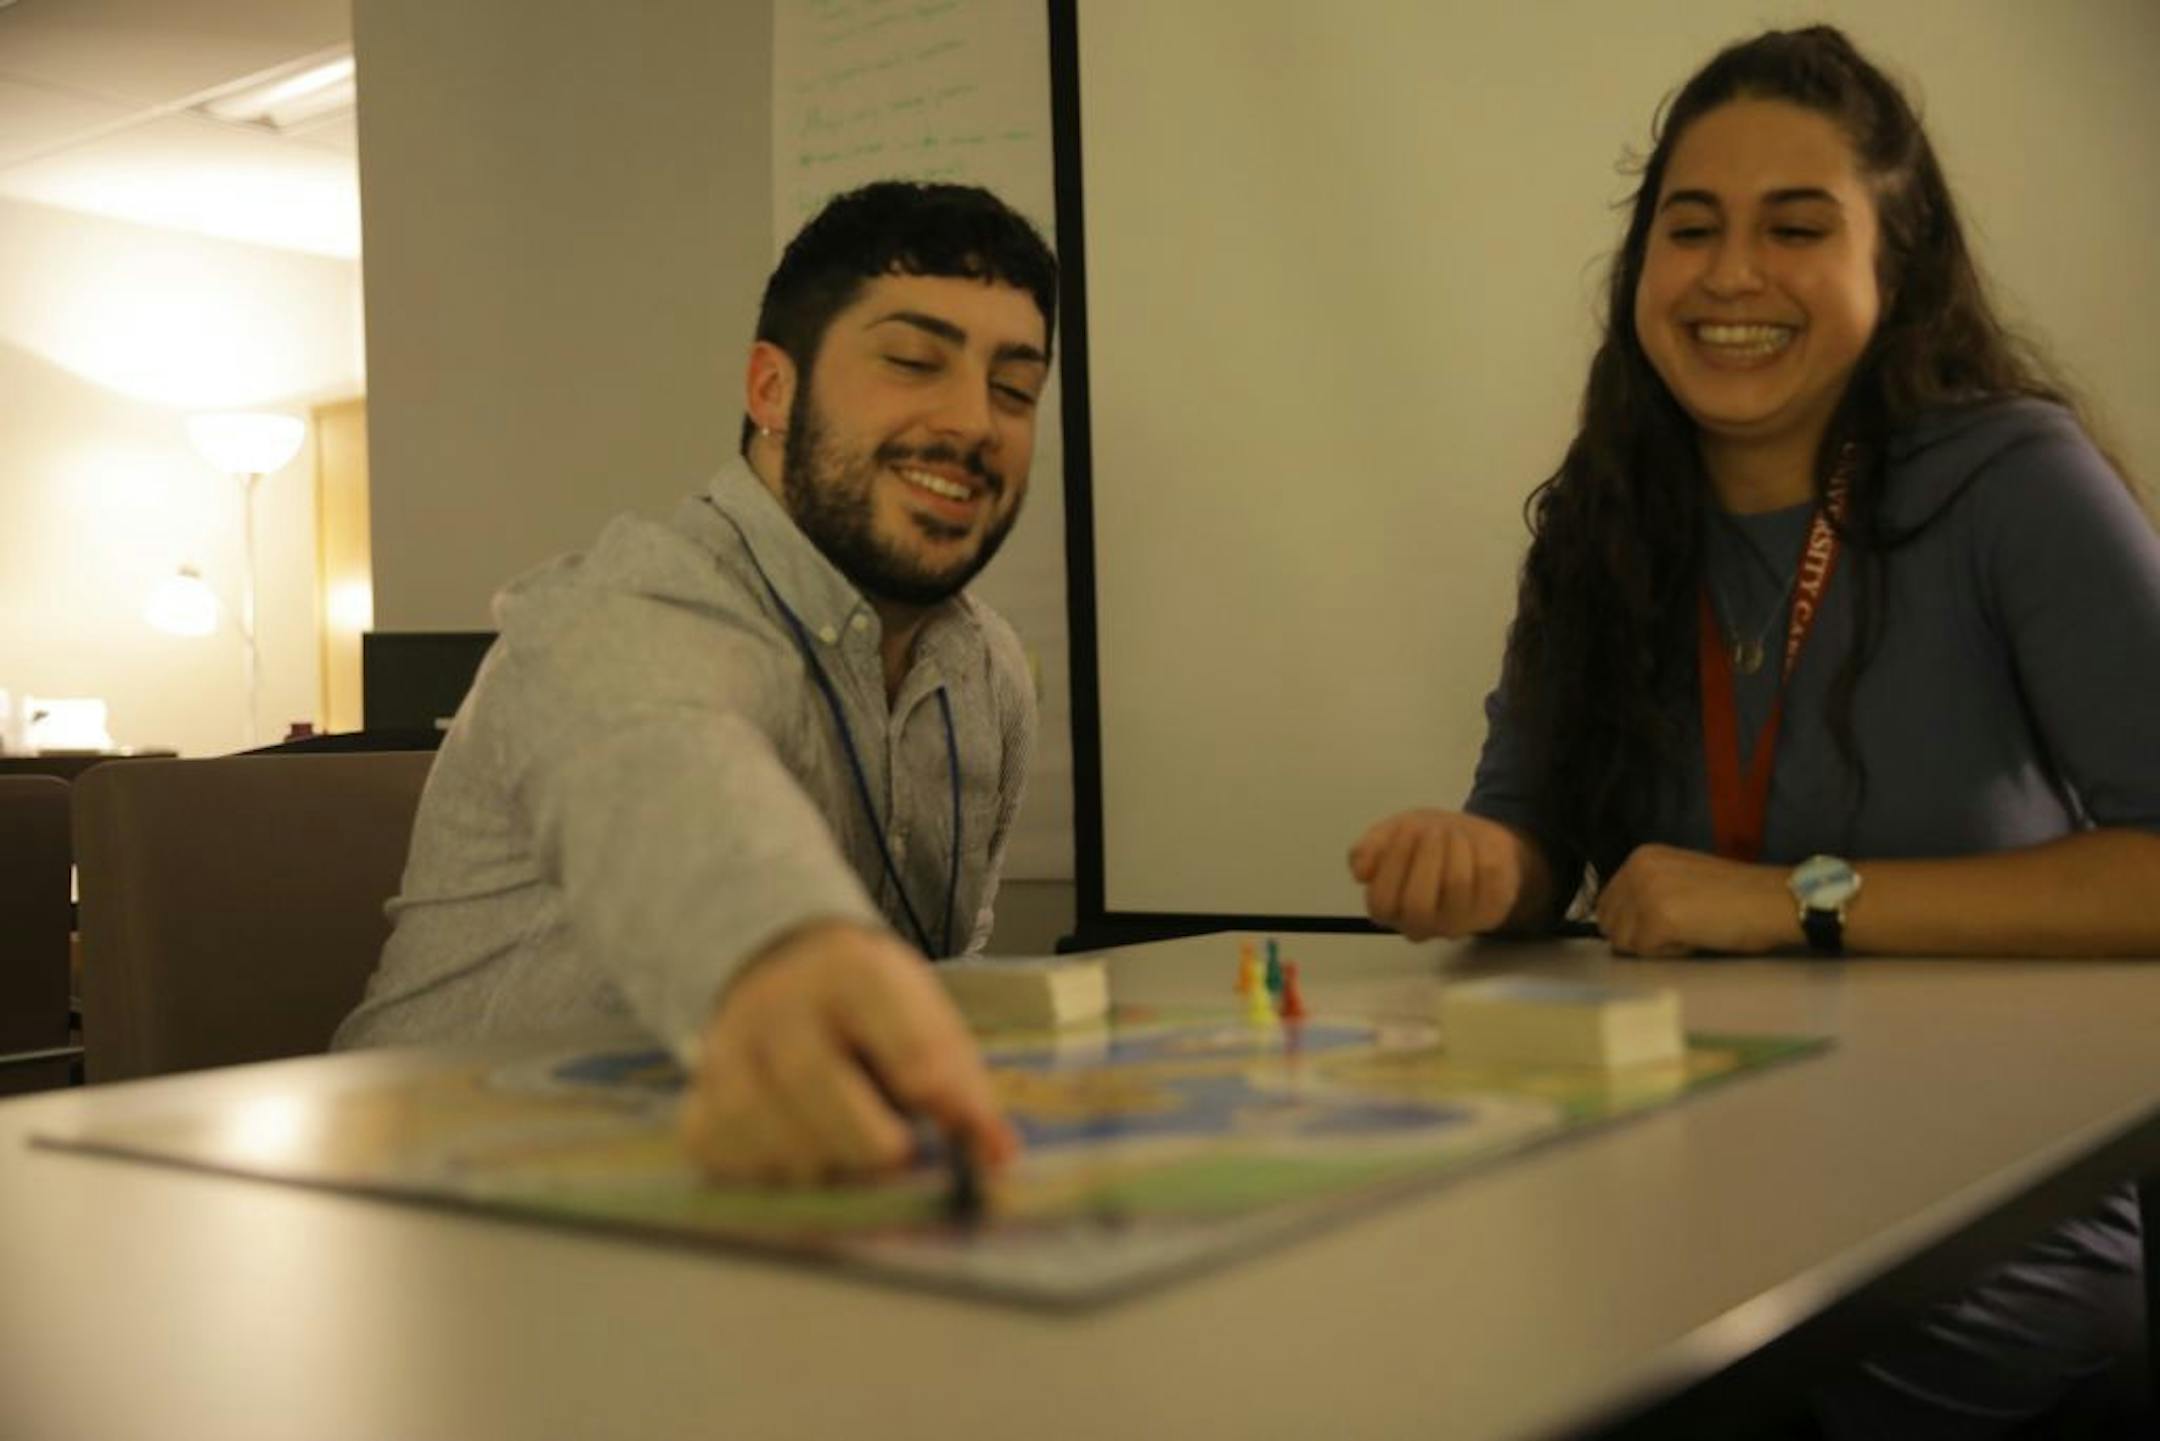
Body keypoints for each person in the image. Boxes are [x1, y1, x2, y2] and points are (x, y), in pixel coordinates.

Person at [1347, 26, 2158, 1438]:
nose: (1731, 275)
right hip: (1679, 1234)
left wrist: (1796, 903)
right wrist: (1477, 864)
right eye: (1691, 228)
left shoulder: (2016, 480)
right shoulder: (1599, 523)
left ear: (1891, 268)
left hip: (1971, 1264)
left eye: (1796, 228)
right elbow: (1526, 833)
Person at [336, 181, 1057, 1188]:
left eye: (1014, 389)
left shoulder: (990, 672)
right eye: (910, 362)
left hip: (739, 1196)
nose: (975, 422)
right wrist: (783, 953)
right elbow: (653, 744)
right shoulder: (617, 605)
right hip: (427, 1212)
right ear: (772, 390)